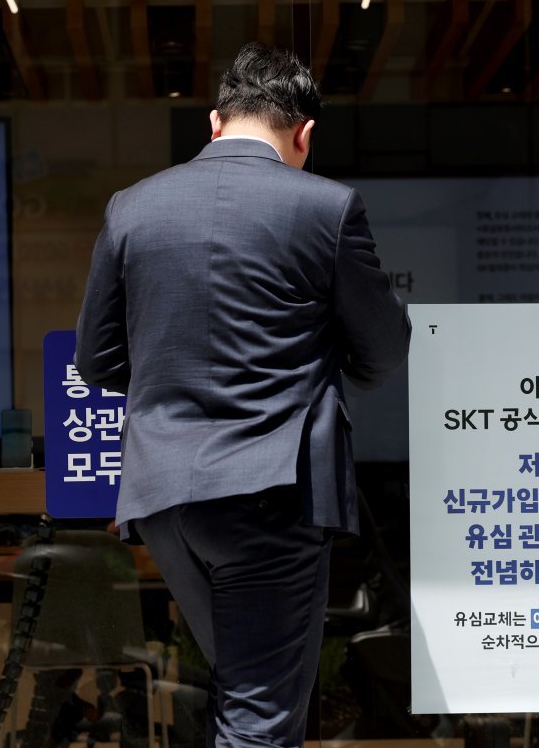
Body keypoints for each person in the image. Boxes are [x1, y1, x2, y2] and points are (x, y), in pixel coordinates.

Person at [73, 42, 411, 748]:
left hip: (164, 499)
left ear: (215, 121)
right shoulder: (327, 207)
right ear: (304, 134)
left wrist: (171, 378)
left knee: (243, 693)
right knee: (260, 717)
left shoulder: (132, 208)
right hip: (272, 494)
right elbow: (383, 348)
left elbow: (97, 360)